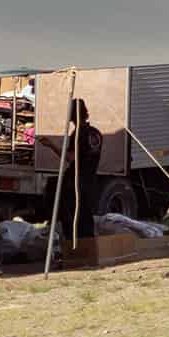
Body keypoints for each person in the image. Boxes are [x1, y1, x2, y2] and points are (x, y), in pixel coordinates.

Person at [63, 98, 103, 240]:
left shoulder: (78, 133)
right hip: (91, 179)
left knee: (72, 217)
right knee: (86, 216)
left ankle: (75, 249)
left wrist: (50, 146)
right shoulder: (96, 133)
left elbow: (70, 157)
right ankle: (89, 248)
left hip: (76, 181)